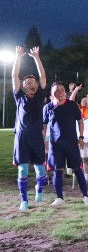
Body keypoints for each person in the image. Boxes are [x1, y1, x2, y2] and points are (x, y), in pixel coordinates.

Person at [43, 82, 88, 205]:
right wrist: (44, 140)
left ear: (65, 91)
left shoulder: (72, 105)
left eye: (62, 90)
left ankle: (85, 196)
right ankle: (59, 197)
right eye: (56, 91)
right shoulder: (48, 107)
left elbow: (80, 121)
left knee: (77, 169)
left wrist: (81, 137)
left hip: (71, 143)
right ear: (52, 93)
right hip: (55, 145)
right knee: (57, 170)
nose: (60, 93)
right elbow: (44, 125)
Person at [12, 46, 48, 210]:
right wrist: (18, 57)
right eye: (28, 83)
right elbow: (14, 75)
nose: (32, 84)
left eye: (34, 83)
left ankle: (39, 188)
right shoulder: (19, 96)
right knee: (22, 170)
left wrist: (36, 57)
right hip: (21, 137)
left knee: (40, 171)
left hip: (36, 137)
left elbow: (43, 76)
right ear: (24, 86)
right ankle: (24, 200)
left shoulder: (40, 96)